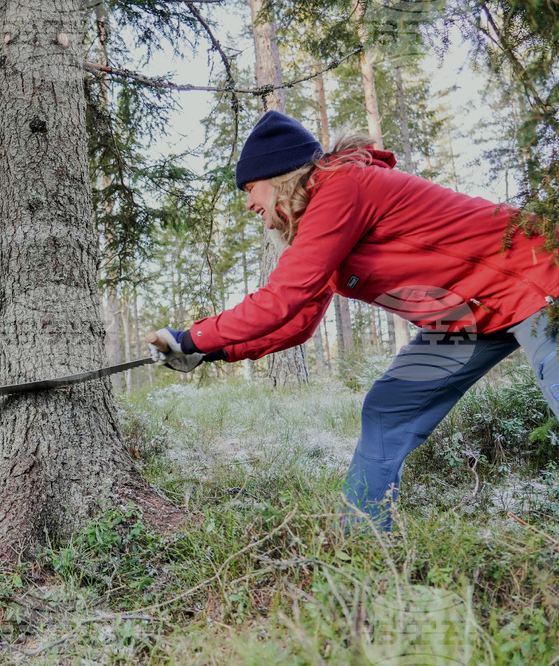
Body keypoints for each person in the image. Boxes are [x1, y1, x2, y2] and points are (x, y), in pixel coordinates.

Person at [149, 110, 559, 531]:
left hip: (539, 279)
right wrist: (212, 350)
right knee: (390, 407)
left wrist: (192, 337)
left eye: (251, 188)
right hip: (467, 317)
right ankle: (363, 540)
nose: (249, 203)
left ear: (280, 176)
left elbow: (283, 298)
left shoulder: (344, 188)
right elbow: (296, 323)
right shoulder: (324, 221)